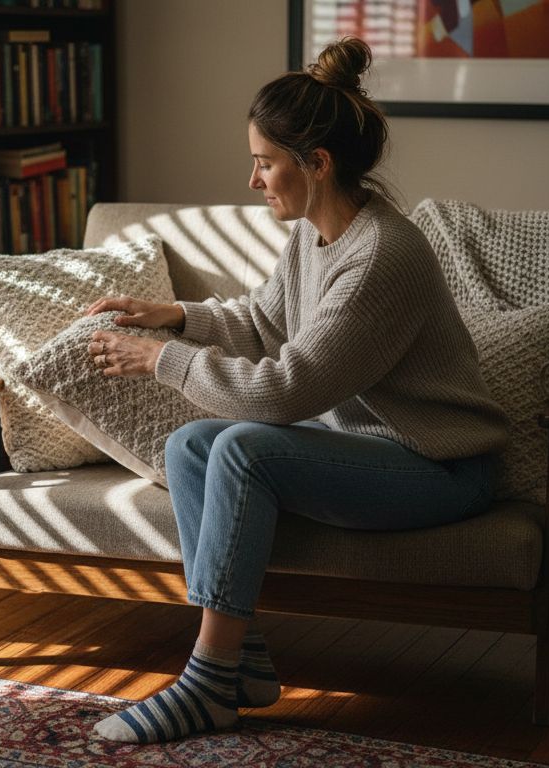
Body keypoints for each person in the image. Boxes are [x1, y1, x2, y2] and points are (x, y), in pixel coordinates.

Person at [82, 37, 510, 744]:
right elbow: (261, 320)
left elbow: (287, 391)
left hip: (440, 467)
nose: (253, 180)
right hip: (365, 451)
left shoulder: (380, 256)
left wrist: (162, 358)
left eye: (264, 162)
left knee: (246, 447)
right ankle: (241, 661)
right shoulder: (313, 235)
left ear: (317, 164)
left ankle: (209, 681)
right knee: (192, 445)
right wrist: (177, 315)